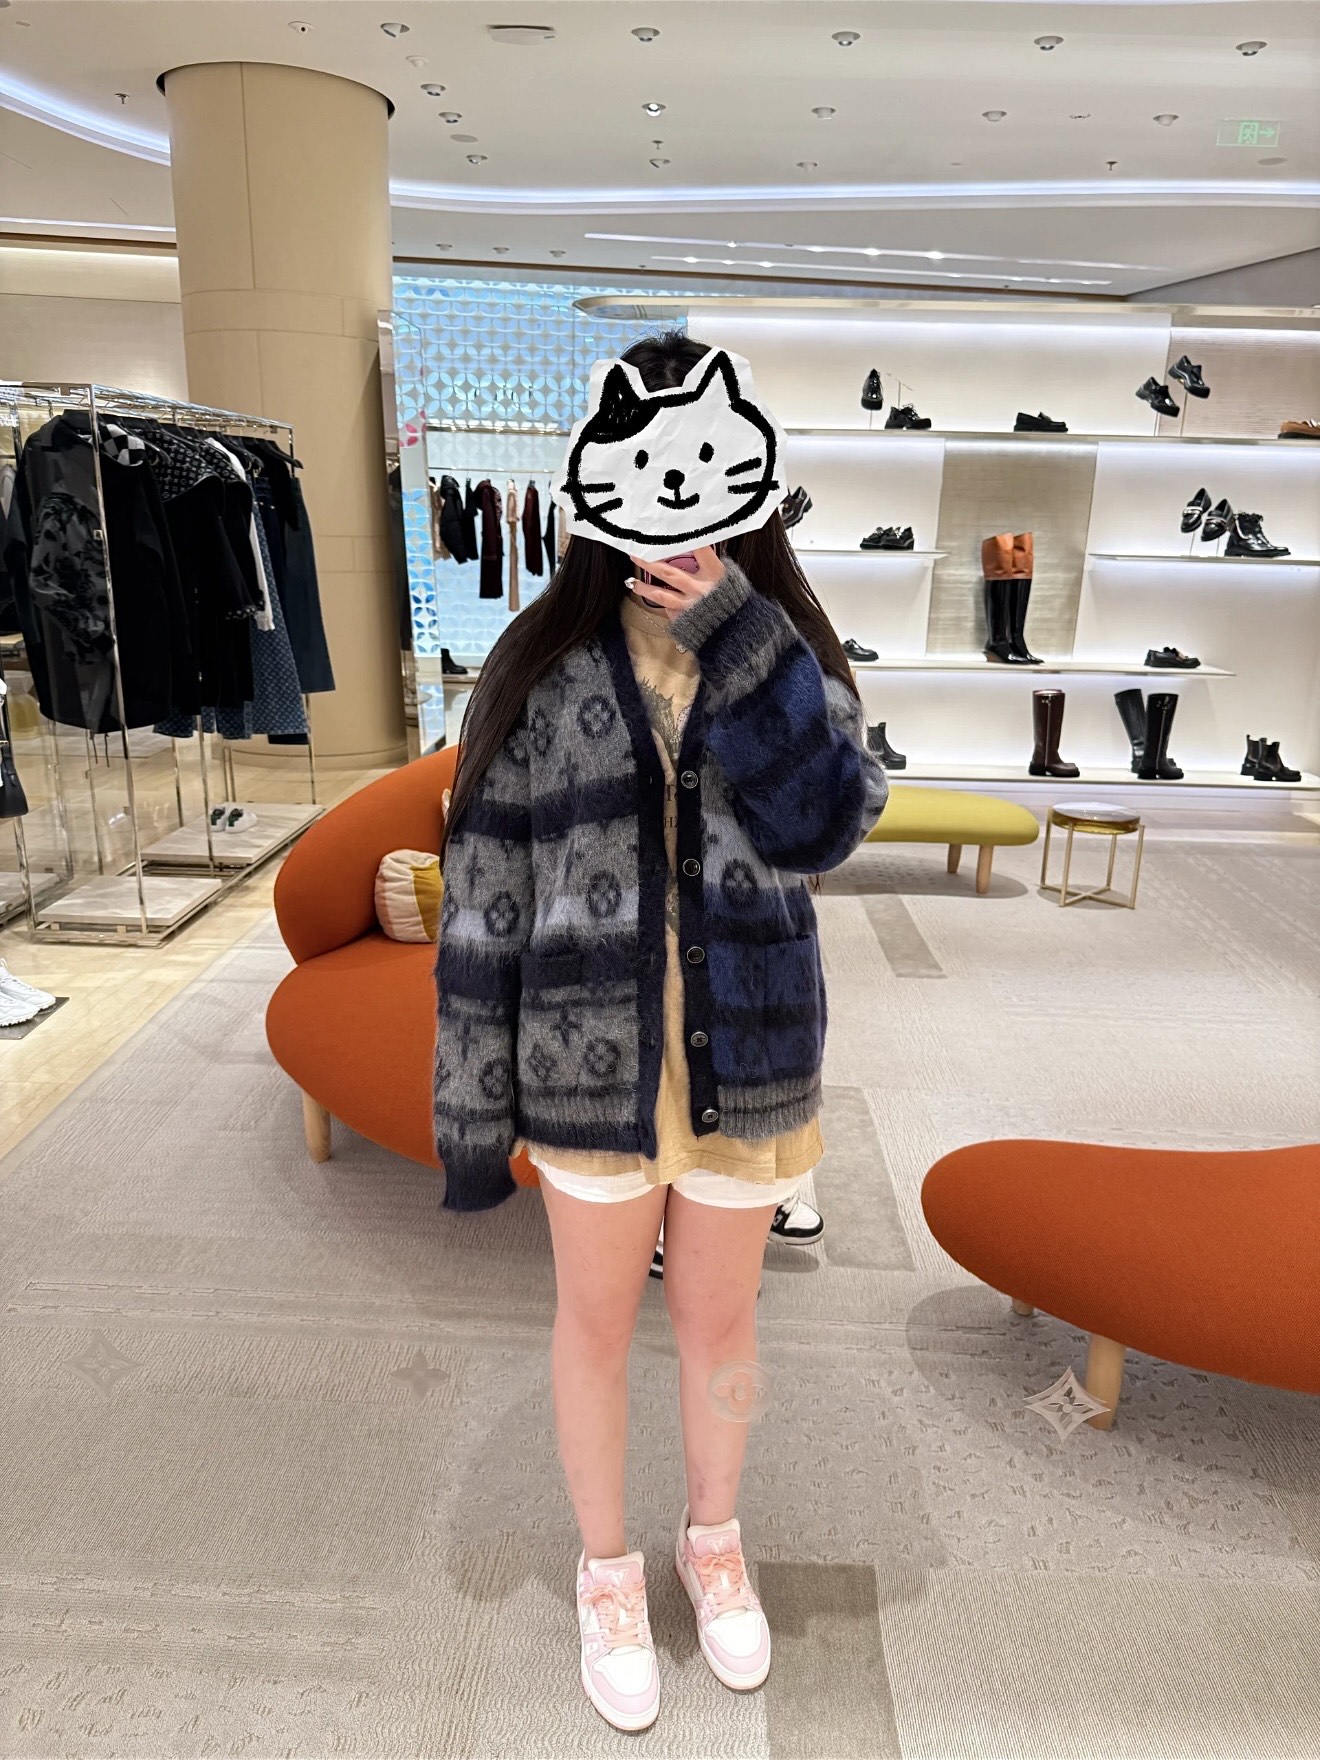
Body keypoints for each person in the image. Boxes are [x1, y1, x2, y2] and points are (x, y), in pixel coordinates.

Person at [434, 332, 888, 1732]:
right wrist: (472, 1104)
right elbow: (484, 895)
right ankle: (608, 1569)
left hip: (750, 1057)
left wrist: (742, 642)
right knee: (591, 1320)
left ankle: (713, 1539)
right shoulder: (540, 666)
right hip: (587, 1069)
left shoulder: (788, 647)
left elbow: (830, 825)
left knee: (720, 1321)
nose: (677, 504)